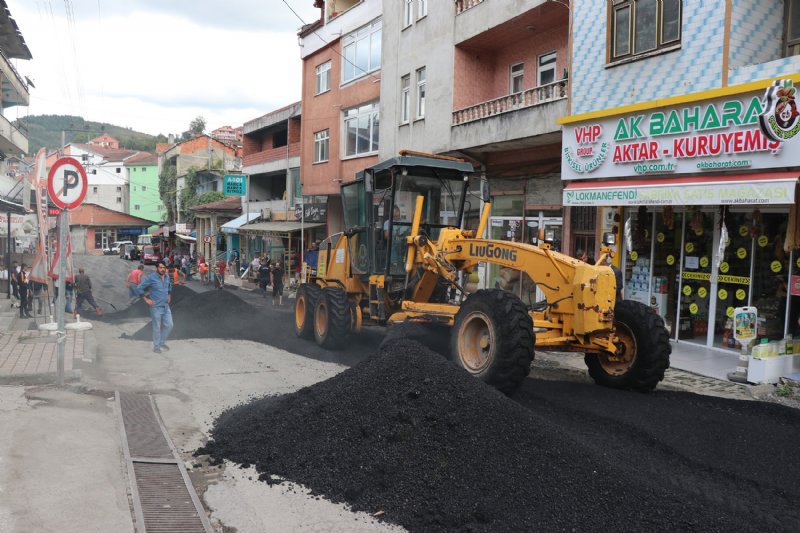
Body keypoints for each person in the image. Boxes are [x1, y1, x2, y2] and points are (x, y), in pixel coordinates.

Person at [133, 261, 173, 354]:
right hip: (156, 307)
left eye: (164, 267)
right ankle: (156, 346)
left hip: (166, 306)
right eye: (161, 267)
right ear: (156, 268)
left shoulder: (167, 276)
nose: (163, 269)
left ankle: (162, 342)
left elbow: (169, 286)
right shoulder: (151, 278)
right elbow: (139, 288)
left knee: (170, 325)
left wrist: (169, 295)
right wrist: (146, 299)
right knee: (157, 328)